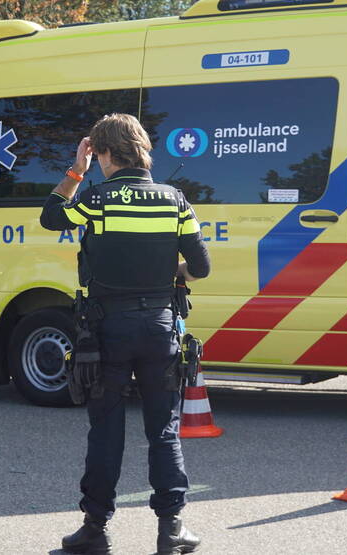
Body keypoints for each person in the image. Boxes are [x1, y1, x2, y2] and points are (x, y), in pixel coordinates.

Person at [41, 114, 211, 555]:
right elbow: (201, 267)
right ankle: (171, 530)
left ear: (104, 153)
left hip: (105, 333)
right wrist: (165, 274)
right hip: (159, 328)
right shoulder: (175, 200)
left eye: (95, 157)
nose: (94, 165)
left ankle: (95, 530)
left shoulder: (97, 199)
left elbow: (51, 217)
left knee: (106, 432)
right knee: (164, 431)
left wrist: (74, 172)